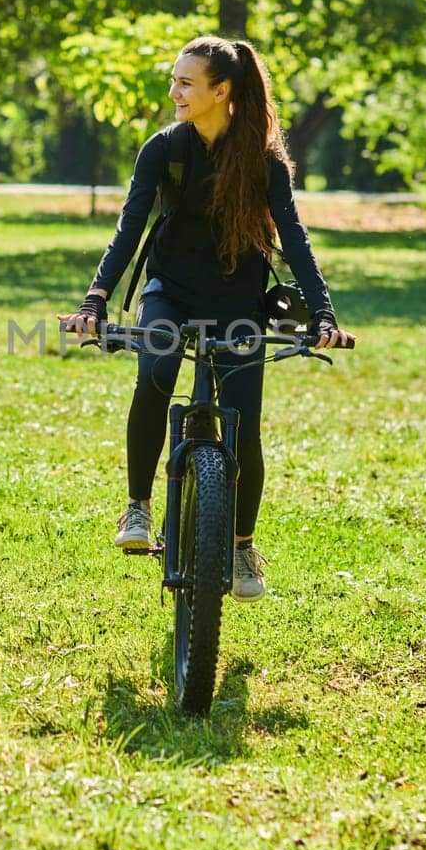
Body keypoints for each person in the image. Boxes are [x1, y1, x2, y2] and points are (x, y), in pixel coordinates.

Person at [61, 36, 354, 602]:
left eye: (185, 83)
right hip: (170, 290)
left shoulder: (265, 163)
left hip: (237, 303)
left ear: (221, 91)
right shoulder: (163, 149)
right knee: (155, 372)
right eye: (174, 80)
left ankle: (242, 545)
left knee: (244, 424)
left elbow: (293, 236)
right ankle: (139, 508)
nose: (174, 92)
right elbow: (130, 227)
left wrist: (323, 311)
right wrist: (96, 298)